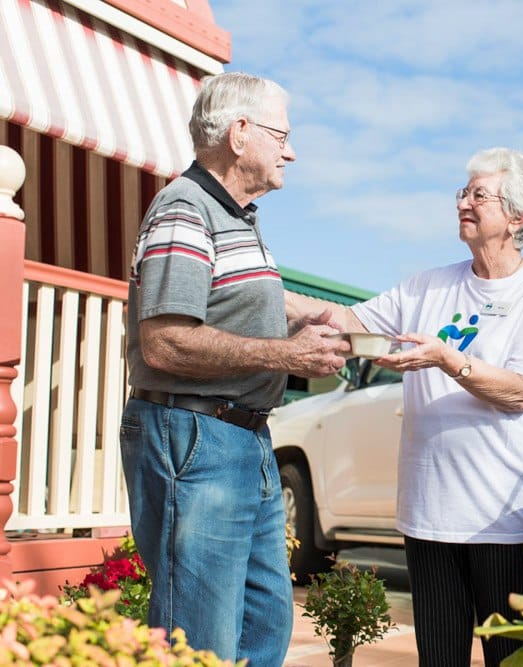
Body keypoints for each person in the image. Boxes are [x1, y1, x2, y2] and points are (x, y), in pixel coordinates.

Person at [120, 72, 349, 666]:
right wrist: (288, 355)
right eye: (282, 135)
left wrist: (327, 315)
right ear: (240, 133)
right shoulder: (183, 209)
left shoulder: (235, 216)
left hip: (242, 436)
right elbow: (165, 342)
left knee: (263, 620)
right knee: (198, 637)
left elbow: (249, 296)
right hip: (194, 435)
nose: (291, 151)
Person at [326, 147, 523, 666]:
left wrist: (447, 359)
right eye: (464, 192)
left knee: (512, 658)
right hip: (428, 514)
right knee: (438, 659)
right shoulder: (427, 284)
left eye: (479, 195)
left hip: (503, 516)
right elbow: (352, 319)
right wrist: (272, 294)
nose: (464, 203)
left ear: (518, 217)